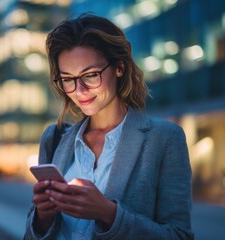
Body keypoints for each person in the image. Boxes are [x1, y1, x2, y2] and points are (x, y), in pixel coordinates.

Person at [24, 14, 193, 240]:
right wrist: (42, 218)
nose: (80, 90)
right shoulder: (54, 139)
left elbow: (180, 236)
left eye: (91, 75)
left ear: (119, 67)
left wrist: (108, 214)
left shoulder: (164, 139)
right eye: (68, 79)